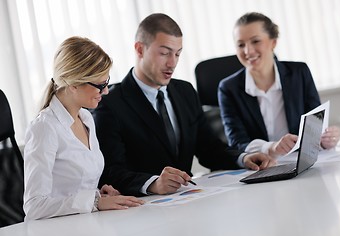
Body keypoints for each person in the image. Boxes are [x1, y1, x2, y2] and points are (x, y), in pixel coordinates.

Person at [92, 13, 275, 197]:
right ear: (140, 50)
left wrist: (242, 158)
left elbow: (209, 148)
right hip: (143, 209)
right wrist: (153, 183)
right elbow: (110, 172)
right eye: (164, 53)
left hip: (188, 200)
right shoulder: (110, 104)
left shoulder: (185, 91)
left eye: (177, 54)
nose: (172, 63)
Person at [23, 36, 144, 221]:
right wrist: (94, 202)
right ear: (73, 84)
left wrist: (98, 195)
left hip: (87, 224)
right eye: (100, 85)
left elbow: (73, 189)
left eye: (107, 82)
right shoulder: (45, 128)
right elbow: (34, 206)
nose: (106, 91)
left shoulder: (86, 118)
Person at [218, 12, 340, 158]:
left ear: (273, 42)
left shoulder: (299, 73)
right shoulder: (228, 88)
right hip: (261, 166)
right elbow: (237, 142)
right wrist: (271, 148)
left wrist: (325, 139)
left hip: (300, 160)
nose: (248, 51)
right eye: (241, 44)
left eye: (255, 41)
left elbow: (314, 126)